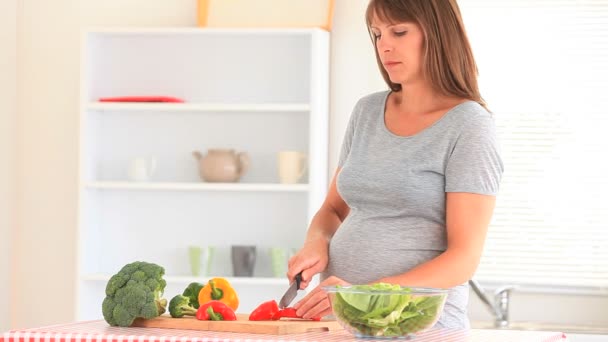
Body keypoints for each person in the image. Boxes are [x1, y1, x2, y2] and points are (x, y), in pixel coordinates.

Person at [286, 0, 503, 329]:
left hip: (418, 327)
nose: (384, 45)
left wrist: (365, 296)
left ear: (439, 34)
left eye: (399, 31)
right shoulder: (367, 112)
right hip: (341, 322)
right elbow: (332, 209)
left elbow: (463, 258)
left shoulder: (469, 126)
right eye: (376, 34)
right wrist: (316, 241)